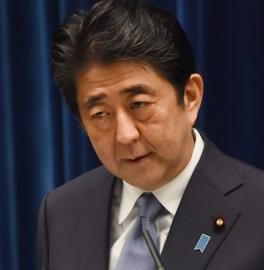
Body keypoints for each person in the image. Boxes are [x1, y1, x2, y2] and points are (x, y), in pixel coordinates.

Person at [37, 0, 264, 269]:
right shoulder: (61, 211)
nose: (125, 135)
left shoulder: (256, 207)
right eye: (100, 114)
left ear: (190, 97)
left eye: (139, 105)